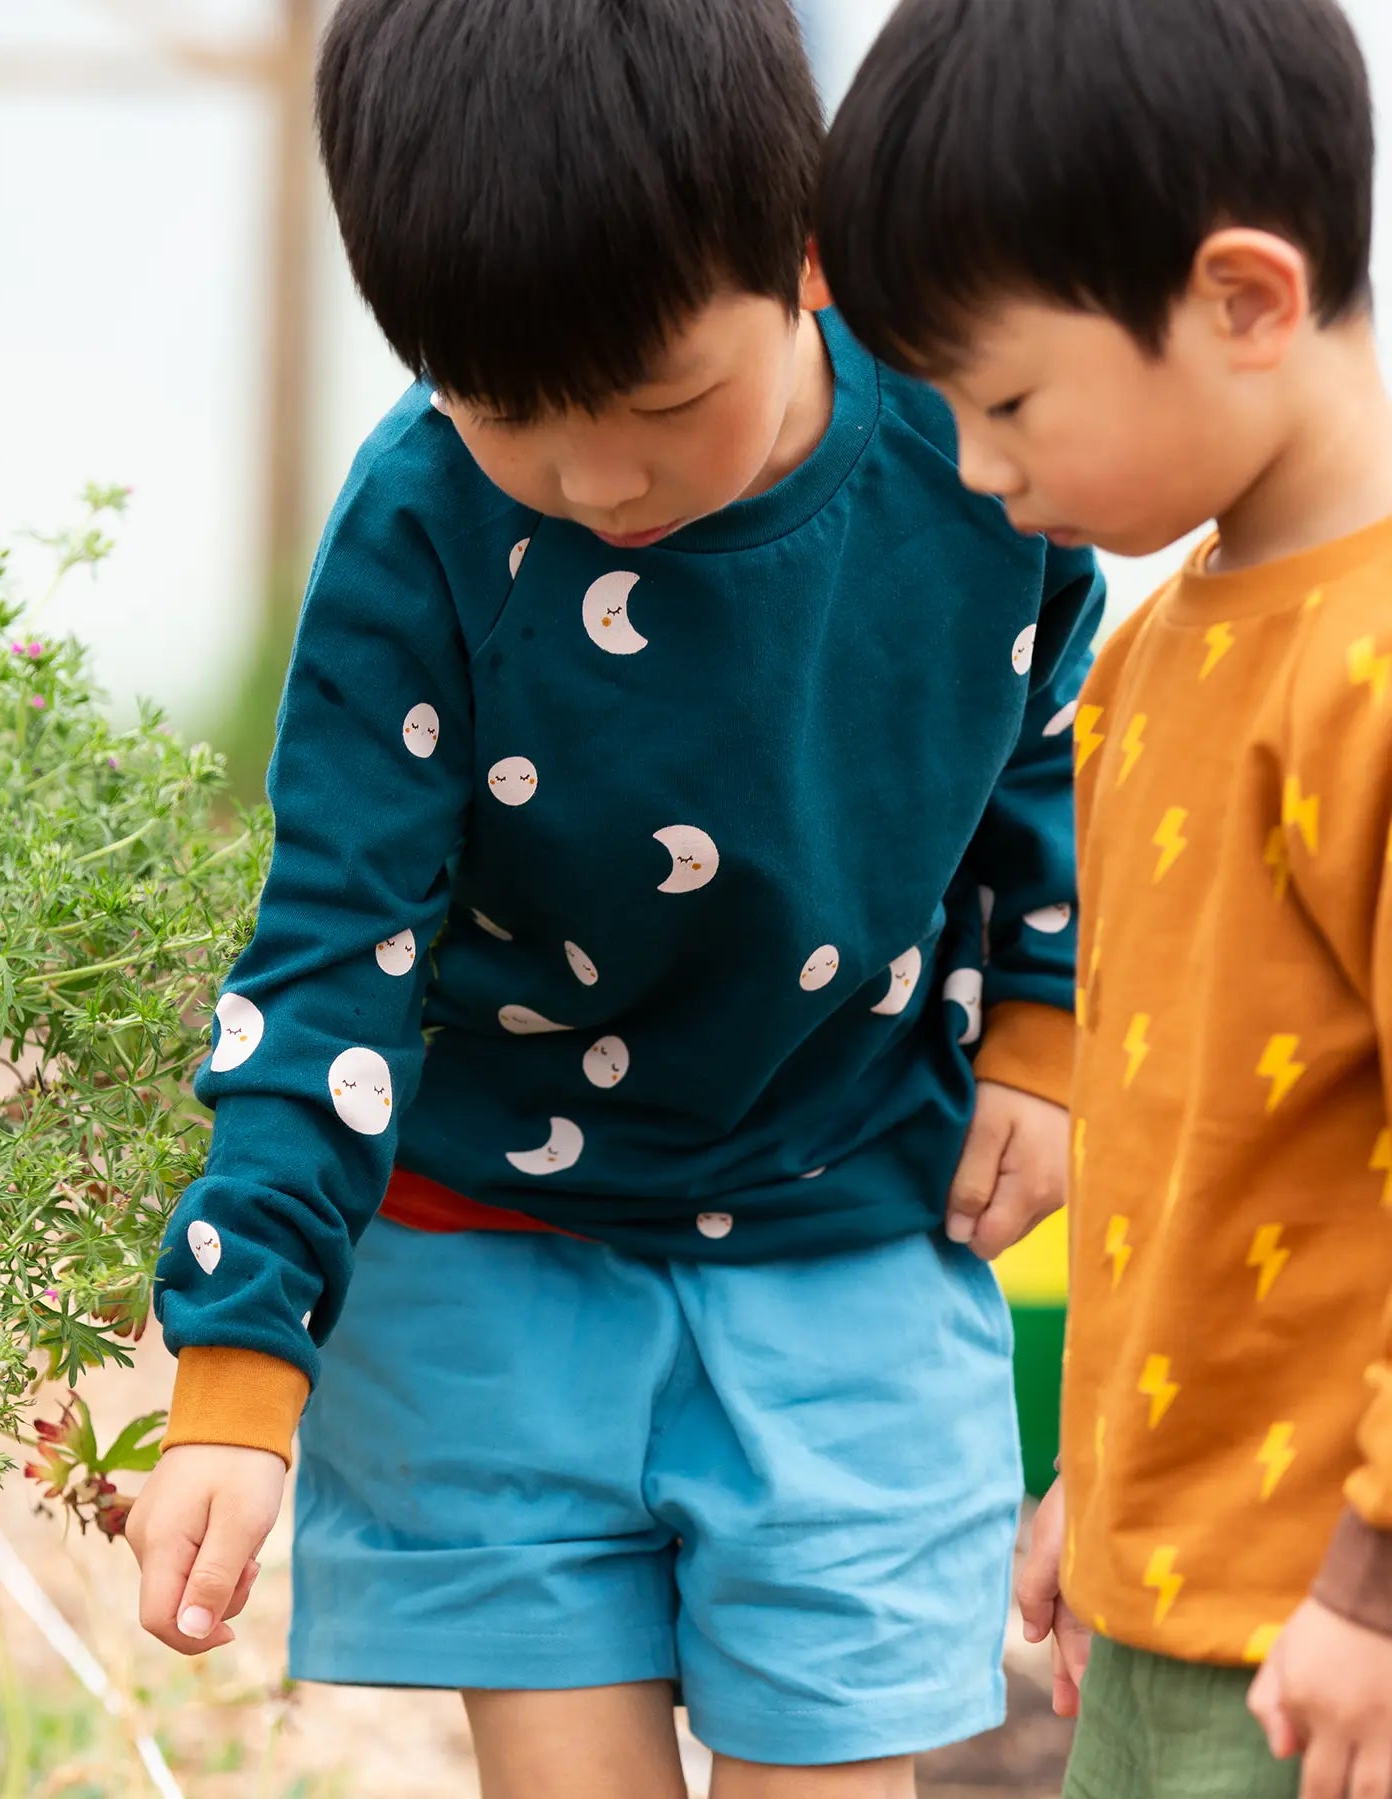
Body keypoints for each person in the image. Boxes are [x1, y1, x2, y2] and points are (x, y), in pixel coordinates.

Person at [124, 1, 1102, 1792]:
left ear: (808, 253)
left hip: (853, 1232)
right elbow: (335, 945)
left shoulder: (971, 457)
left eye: (661, 403)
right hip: (499, 1253)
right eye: (503, 414)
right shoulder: (419, 529)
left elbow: (1043, 725)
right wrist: (239, 1371)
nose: (595, 482)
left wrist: (1043, 1025)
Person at [817, 1, 1392, 1795]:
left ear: (1241, 299)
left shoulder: (1369, 675)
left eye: (1004, 403)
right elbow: (1181, 1138)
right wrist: (1095, 1478)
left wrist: (1373, 1591)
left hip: (1323, 1623)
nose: (981, 471)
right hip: (1161, 1596)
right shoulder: (1143, 661)